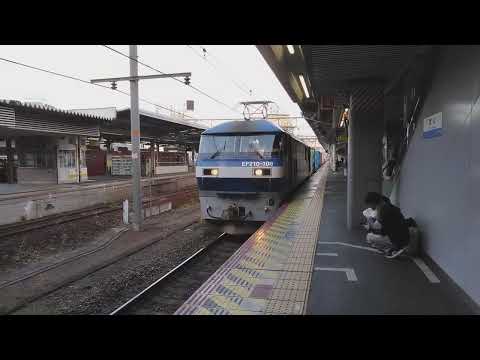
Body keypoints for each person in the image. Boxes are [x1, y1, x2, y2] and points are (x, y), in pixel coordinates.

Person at [364, 192, 410, 259]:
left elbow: (384, 232)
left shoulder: (383, 212)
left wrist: (370, 228)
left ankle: (394, 248)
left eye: (369, 204)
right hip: (405, 236)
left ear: (373, 202)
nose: (369, 207)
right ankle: (393, 247)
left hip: (398, 240)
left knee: (369, 237)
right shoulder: (388, 205)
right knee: (374, 231)